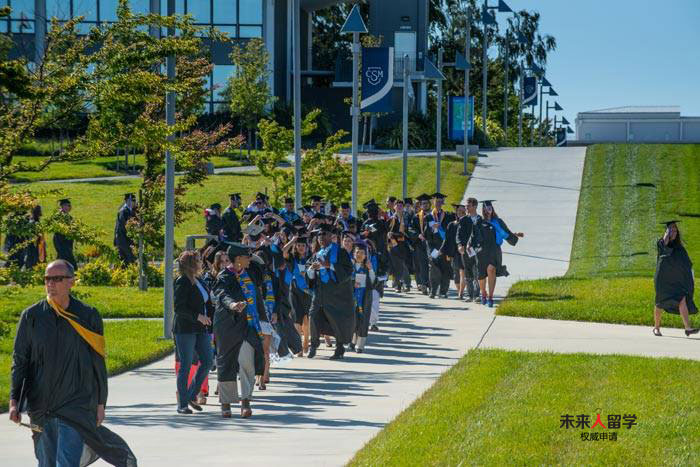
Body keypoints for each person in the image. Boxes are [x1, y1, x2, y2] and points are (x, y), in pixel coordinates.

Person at [9, 259, 136, 466]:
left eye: (57, 279)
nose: (51, 284)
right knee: (46, 463)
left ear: (71, 282)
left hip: (76, 406)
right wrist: (14, 401)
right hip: (41, 407)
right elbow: (20, 361)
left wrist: (100, 402)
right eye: (47, 279)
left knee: (66, 463)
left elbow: (97, 363)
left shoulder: (87, 315)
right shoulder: (31, 317)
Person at [212, 243, 265, 419]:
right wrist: (233, 305)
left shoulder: (251, 273)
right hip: (228, 325)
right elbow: (222, 294)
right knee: (226, 363)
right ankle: (226, 404)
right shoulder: (224, 276)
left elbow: (263, 265)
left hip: (249, 326)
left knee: (247, 362)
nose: (250, 258)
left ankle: (246, 402)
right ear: (237, 259)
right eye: (246, 256)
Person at [305, 223, 355, 360]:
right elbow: (308, 272)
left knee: (336, 321)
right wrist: (311, 270)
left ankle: (339, 348)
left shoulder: (340, 252)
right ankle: (313, 346)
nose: (320, 237)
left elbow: (348, 271)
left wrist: (330, 265)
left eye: (323, 234)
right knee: (313, 316)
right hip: (319, 292)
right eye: (319, 235)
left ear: (331, 236)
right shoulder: (316, 254)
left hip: (336, 294)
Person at [173, 250, 214, 414]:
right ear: (191, 264)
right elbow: (179, 308)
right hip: (185, 329)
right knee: (186, 364)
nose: (201, 263)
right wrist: (198, 316)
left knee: (208, 361)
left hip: (201, 328)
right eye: (198, 260)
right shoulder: (182, 281)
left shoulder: (199, 281)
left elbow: (207, 302)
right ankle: (182, 404)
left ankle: (190, 394)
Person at [470, 200, 524, 307]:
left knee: (492, 270)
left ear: (492, 209)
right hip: (482, 251)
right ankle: (483, 293)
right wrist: (469, 247)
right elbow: (473, 236)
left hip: (495, 250)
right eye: (486, 209)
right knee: (481, 276)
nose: (488, 210)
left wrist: (515, 234)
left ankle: (490, 296)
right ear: (483, 210)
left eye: (489, 208)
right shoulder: (479, 222)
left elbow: (505, 232)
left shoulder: (498, 222)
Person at [653, 220, 699, 336]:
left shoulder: (679, 248)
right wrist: (667, 233)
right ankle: (656, 327)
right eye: (671, 229)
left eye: (675, 230)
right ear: (667, 231)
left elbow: (686, 264)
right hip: (663, 279)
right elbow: (665, 245)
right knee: (659, 303)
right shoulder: (661, 244)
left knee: (682, 299)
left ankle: (688, 328)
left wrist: (690, 274)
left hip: (676, 280)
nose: (674, 231)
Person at [284, 232, 313, 354]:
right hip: (294, 290)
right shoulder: (292, 258)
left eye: (303, 245)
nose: (301, 247)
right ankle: (298, 347)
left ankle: (306, 342)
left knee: (306, 319)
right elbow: (284, 251)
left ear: (306, 247)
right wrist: (291, 241)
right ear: (296, 247)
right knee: (296, 319)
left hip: (307, 291)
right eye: (299, 245)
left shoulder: (310, 259)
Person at [424, 193, 454, 298]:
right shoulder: (428, 217)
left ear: (443, 203)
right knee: (433, 267)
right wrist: (432, 228)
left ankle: (443, 291)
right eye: (436, 201)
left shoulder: (448, 216)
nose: (438, 203)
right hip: (433, 246)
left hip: (444, 246)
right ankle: (433, 291)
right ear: (433, 202)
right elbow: (425, 233)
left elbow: (451, 231)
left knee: (445, 268)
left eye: (440, 201)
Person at [349, 242, 375, 353]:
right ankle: (352, 342)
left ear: (365, 255)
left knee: (363, 321)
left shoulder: (367, 267)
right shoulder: (350, 266)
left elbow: (373, 281)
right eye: (357, 252)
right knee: (352, 320)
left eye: (362, 253)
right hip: (352, 297)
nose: (359, 255)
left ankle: (360, 345)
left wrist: (370, 269)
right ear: (354, 253)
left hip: (364, 298)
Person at [457, 197, 482, 302]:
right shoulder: (463, 219)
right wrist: (459, 245)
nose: (466, 207)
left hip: (477, 249)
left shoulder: (480, 219)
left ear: (475, 206)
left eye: (468, 206)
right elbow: (458, 234)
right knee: (468, 272)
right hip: (466, 250)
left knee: (477, 271)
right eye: (466, 205)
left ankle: (477, 295)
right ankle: (470, 295)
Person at [387, 199, 411, 293]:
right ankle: (397, 285)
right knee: (396, 265)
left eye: (401, 205)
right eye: (398, 205)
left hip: (403, 245)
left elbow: (408, 230)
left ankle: (404, 284)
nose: (399, 207)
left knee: (402, 265)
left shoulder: (406, 217)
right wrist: (396, 236)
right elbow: (389, 232)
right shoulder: (392, 218)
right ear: (394, 207)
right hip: (394, 244)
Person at [442, 204, 466, 299]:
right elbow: (447, 239)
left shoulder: (467, 223)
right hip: (454, 252)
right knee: (456, 274)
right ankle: (459, 291)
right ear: (456, 212)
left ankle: (461, 293)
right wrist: (444, 251)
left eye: (463, 211)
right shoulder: (451, 225)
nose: (460, 213)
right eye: (459, 211)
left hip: (464, 251)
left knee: (462, 272)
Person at [409, 194, 431, 295]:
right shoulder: (417, 217)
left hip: (432, 244)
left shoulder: (433, 215)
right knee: (423, 265)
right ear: (420, 205)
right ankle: (424, 284)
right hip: (420, 244)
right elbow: (411, 229)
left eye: (426, 203)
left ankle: (433, 285)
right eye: (422, 204)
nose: (425, 205)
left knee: (433, 265)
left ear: (430, 204)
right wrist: (418, 235)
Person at [53, 198, 78, 270]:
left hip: (68, 241)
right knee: (66, 257)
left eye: (69, 205)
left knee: (63, 258)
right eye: (67, 205)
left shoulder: (69, 217)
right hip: (60, 240)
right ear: (62, 206)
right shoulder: (58, 216)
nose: (69, 207)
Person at [114, 193, 137, 266]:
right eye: (133, 201)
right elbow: (124, 226)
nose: (134, 203)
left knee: (125, 262)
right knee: (129, 260)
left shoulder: (129, 210)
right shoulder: (123, 211)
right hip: (123, 239)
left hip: (124, 240)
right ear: (128, 201)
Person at [25, 205, 46, 269]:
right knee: (34, 262)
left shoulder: (35, 221)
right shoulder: (33, 222)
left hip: (37, 245)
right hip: (34, 247)